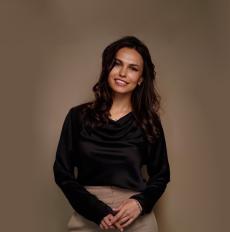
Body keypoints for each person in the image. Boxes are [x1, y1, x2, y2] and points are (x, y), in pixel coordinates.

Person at [53, 36, 170, 232]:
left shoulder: (149, 121)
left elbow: (161, 174)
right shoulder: (77, 117)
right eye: (117, 64)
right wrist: (97, 211)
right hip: (88, 215)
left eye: (133, 68)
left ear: (141, 79)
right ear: (108, 68)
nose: (123, 73)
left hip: (136, 219)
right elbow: (62, 173)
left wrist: (139, 204)